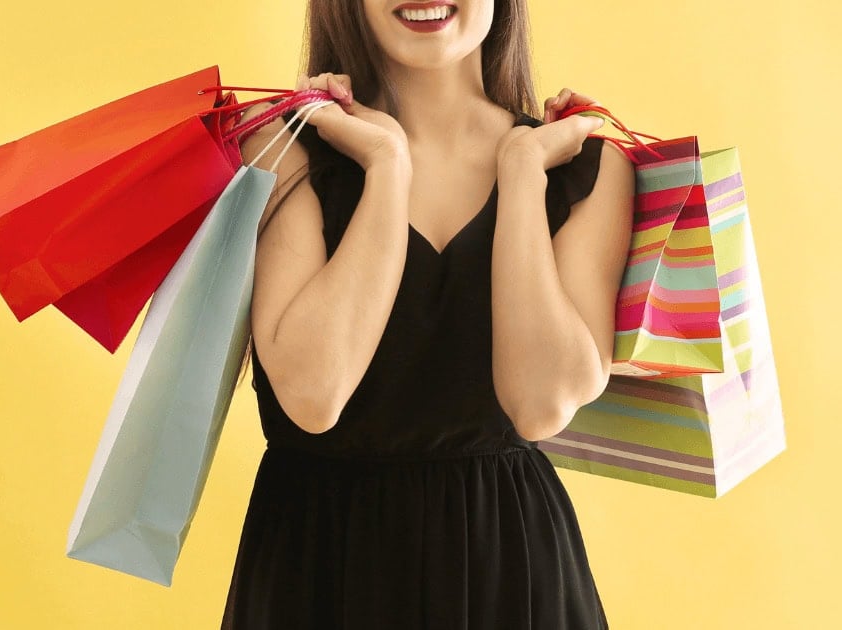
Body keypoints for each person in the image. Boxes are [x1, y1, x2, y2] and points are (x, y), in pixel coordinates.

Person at [221, 0, 634, 627]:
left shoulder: (585, 166)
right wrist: (388, 169)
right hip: (321, 564)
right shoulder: (282, 149)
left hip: (511, 568)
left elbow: (541, 404)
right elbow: (312, 393)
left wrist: (522, 172)